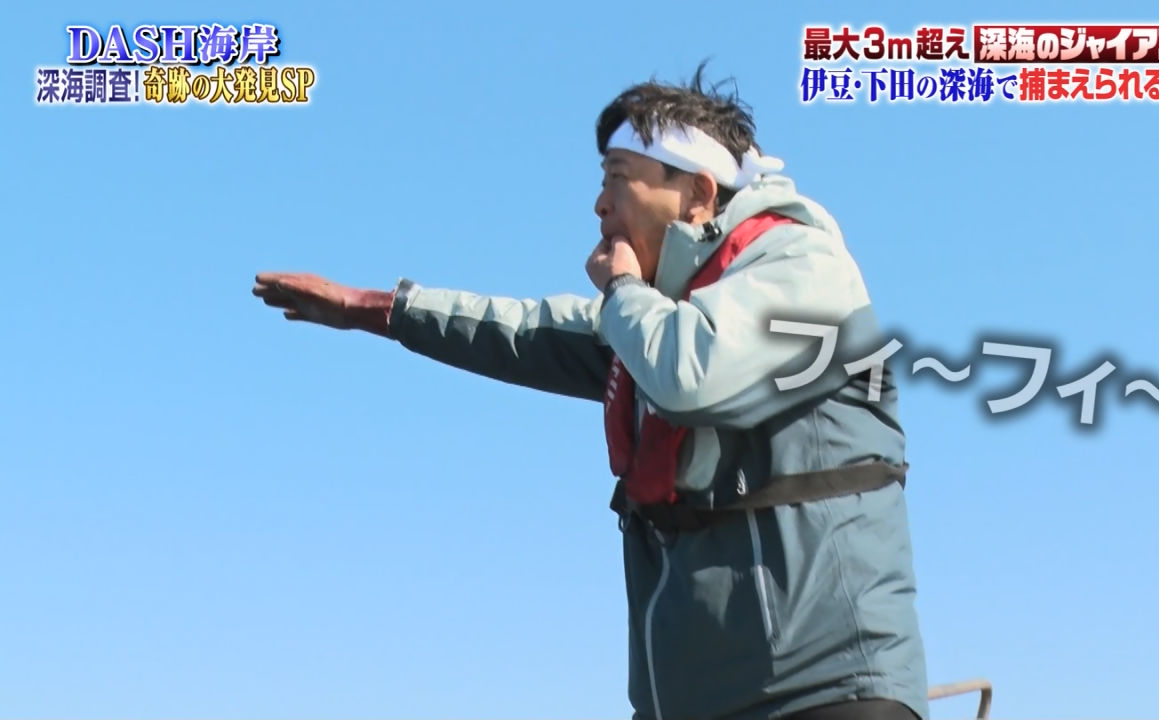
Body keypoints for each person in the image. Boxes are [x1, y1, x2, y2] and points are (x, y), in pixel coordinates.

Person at [252, 64, 929, 720]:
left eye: (619, 179)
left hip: (825, 689)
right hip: (693, 701)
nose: (600, 205)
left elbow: (691, 376)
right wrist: (373, 309)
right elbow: (522, 329)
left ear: (698, 193)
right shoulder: (653, 317)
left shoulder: (802, 266)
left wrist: (624, 290)